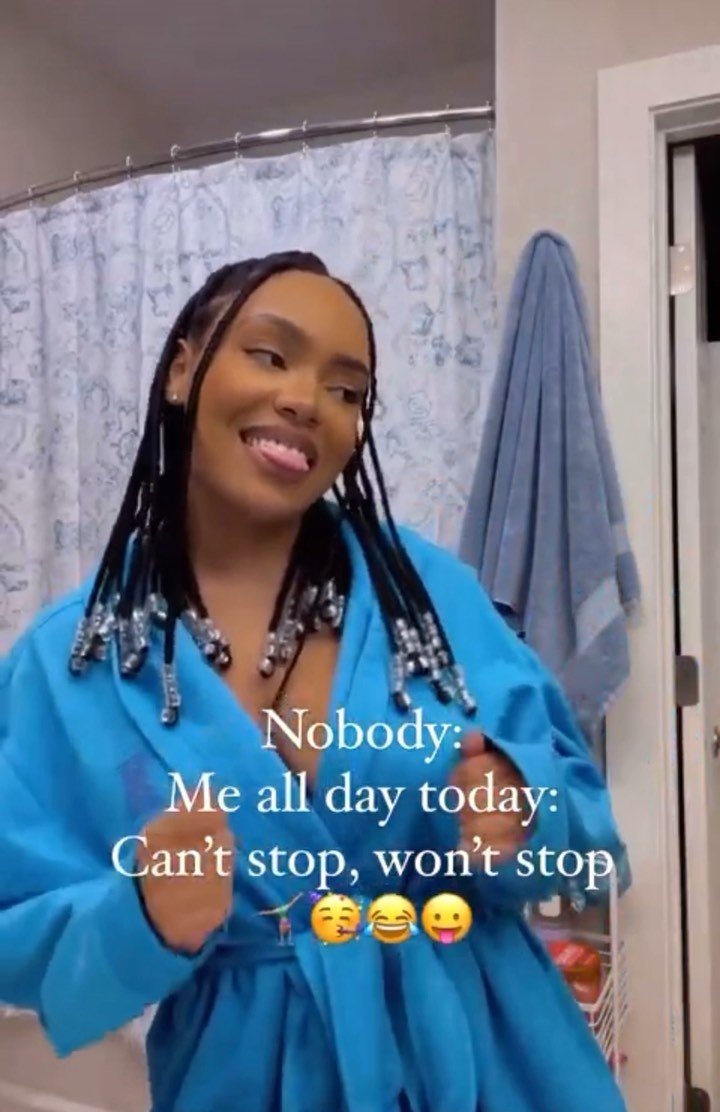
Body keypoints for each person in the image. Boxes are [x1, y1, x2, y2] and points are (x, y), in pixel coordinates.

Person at [0, 250, 629, 1112]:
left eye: (346, 391)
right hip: (243, 1078)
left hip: (495, 1061)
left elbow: (590, 838)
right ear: (182, 369)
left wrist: (526, 813)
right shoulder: (73, 659)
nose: (306, 401)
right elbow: (16, 927)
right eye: (270, 354)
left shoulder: (429, 598)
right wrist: (136, 918)